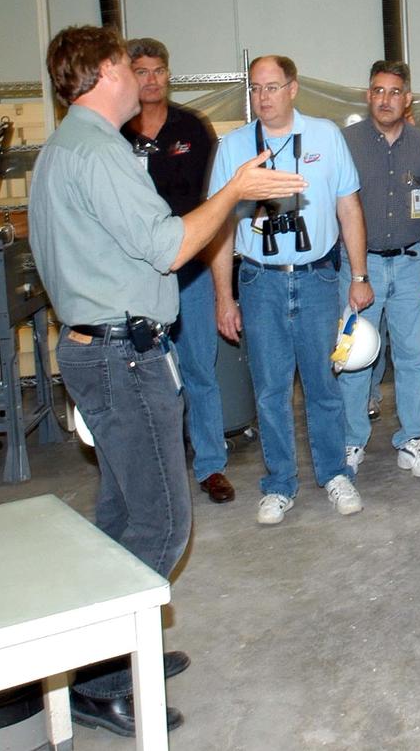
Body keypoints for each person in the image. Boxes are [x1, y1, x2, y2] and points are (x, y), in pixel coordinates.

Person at [29, 25, 305, 736]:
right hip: (124, 354)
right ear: (100, 74)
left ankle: (105, 654)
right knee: (164, 519)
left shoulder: (61, 151)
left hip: (92, 345)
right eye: (127, 66)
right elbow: (172, 244)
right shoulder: (100, 151)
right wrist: (236, 191)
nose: (141, 79)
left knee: (121, 513)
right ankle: (101, 677)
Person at [209, 54, 373, 524]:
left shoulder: (324, 136)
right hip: (260, 281)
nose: (264, 97)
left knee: (324, 384)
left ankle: (335, 474)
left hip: (319, 277)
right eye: (256, 89)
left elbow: (348, 207)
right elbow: (219, 228)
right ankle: (279, 483)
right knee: (270, 389)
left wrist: (358, 277)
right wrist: (225, 296)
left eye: (273, 87)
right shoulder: (234, 147)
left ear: (293, 88)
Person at [119, 37, 233, 505]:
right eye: (141, 71)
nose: (150, 79)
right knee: (146, 376)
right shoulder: (116, 134)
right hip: (135, 277)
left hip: (190, 274)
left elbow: (215, 206)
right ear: (129, 76)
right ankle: (159, 473)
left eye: (158, 70)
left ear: (168, 74)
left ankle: (210, 466)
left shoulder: (192, 127)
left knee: (199, 370)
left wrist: (221, 285)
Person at [339, 61, 420, 478]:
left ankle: (413, 440)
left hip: (409, 265)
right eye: (377, 91)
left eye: (394, 92)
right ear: (368, 95)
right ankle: (353, 441)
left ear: (407, 98)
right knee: (354, 357)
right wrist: (355, 274)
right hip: (358, 265)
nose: (385, 99)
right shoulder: (346, 143)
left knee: (414, 356)